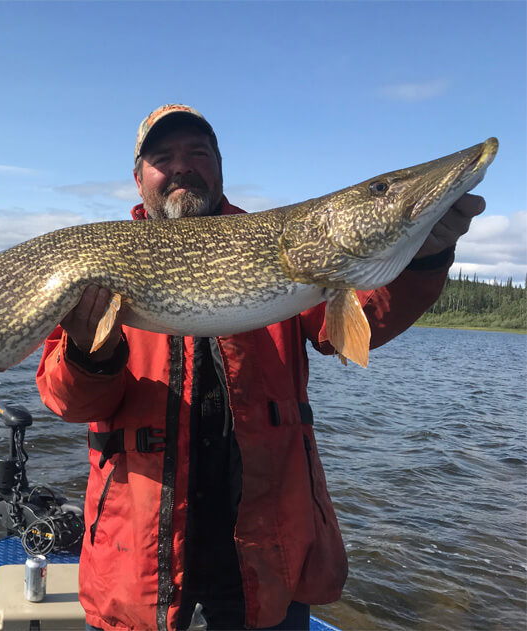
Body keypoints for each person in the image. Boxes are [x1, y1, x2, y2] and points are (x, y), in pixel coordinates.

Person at [35, 104, 485, 631]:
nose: (181, 166)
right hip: (137, 555)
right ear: (139, 179)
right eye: (163, 157)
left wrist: (427, 257)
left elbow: (358, 324)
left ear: (220, 166)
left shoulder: (285, 242)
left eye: (197, 152)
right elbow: (68, 401)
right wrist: (90, 353)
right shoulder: (101, 259)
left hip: (266, 553)